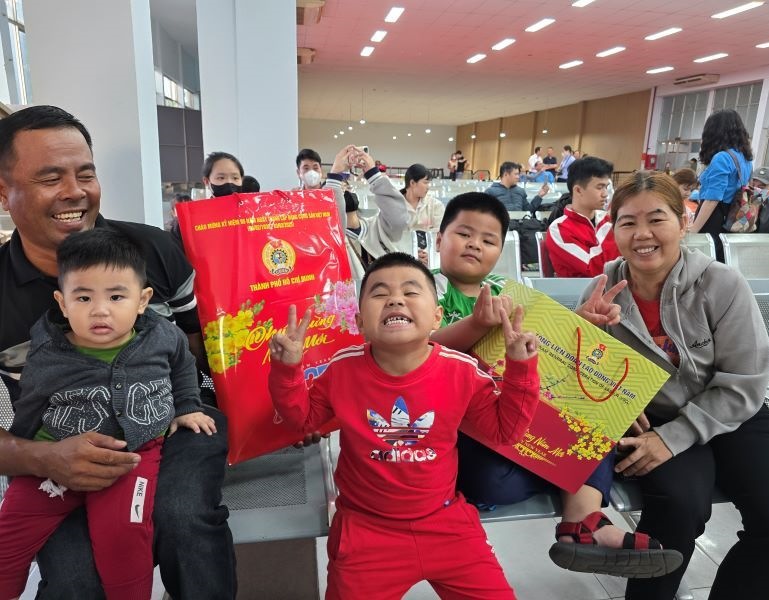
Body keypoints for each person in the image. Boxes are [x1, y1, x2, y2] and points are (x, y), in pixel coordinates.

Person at [0, 105, 236, 598]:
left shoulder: (154, 251)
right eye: (51, 178)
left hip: (174, 420)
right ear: (4, 192)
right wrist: (44, 457)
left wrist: (280, 407)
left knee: (183, 517)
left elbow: (208, 350)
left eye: (85, 174)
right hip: (58, 443)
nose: (75, 191)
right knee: (77, 575)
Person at [429, 193, 681, 579]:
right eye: (464, 234)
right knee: (496, 484)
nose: (475, 244)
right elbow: (416, 352)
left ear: (500, 251)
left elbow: (543, 357)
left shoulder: (509, 293)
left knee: (595, 418)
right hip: (464, 433)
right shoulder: (422, 288)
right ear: (439, 237)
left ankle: (583, 520)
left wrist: (576, 323)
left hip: (519, 421)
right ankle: (572, 479)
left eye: (489, 239)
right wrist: (476, 325)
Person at [579, 170, 769, 600]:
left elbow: (746, 379)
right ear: (613, 229)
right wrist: (583, 337)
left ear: (683, 222)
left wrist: (675, 436)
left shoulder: (721, 284)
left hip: (735, 413)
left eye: (656, 219)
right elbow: (582, 379)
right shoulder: (603, 290)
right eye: (628, 222)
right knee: (677, 510)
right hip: (655, 418)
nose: (642, 234)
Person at [268, 252, 540, 599]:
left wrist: (521, 369)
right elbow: (303, 419)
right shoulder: (342, 370)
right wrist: (287, 370)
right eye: (380, 293)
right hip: (366, 533)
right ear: (359, 321)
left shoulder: (462, 371)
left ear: (437, 316)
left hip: (447, 527)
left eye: (411, 292)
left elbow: (505, 431)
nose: (395, 299)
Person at [0, 228, 217, 600]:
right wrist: (27, 459)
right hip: (57, 457)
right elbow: (30, 403)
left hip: (131, 458)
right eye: (83, 297)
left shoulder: (162, 336)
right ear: (62, 302)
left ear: (142, 300)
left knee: (123, 540)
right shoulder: (47, 350)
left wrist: (186, 407)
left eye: (116, 297)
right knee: (8, 536)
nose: (100, 310)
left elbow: (183, 365)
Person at [324, 145, 418, 277]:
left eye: (347, 187)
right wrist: (334, 177)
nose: (344, 190)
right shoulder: (334, 237)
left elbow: (399, 220)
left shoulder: (376, 226)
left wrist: (373, 174)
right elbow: (329, 223)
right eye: (340, 189)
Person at [688, 109, 754, 259]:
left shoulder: (722, 157)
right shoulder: (746, 159)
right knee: (722, 258)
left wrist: (693, 231)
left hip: (714, 218)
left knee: (704, 258)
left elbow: (712, 199)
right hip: (732, 217)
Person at [546, 156, 620, 277]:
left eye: (606, 187)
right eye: (599, 187)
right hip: (580, 289)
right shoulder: (559, 229)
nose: (605, 194)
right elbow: (594, 269)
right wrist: (615, 228)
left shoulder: (606, 219)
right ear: (578, 190)